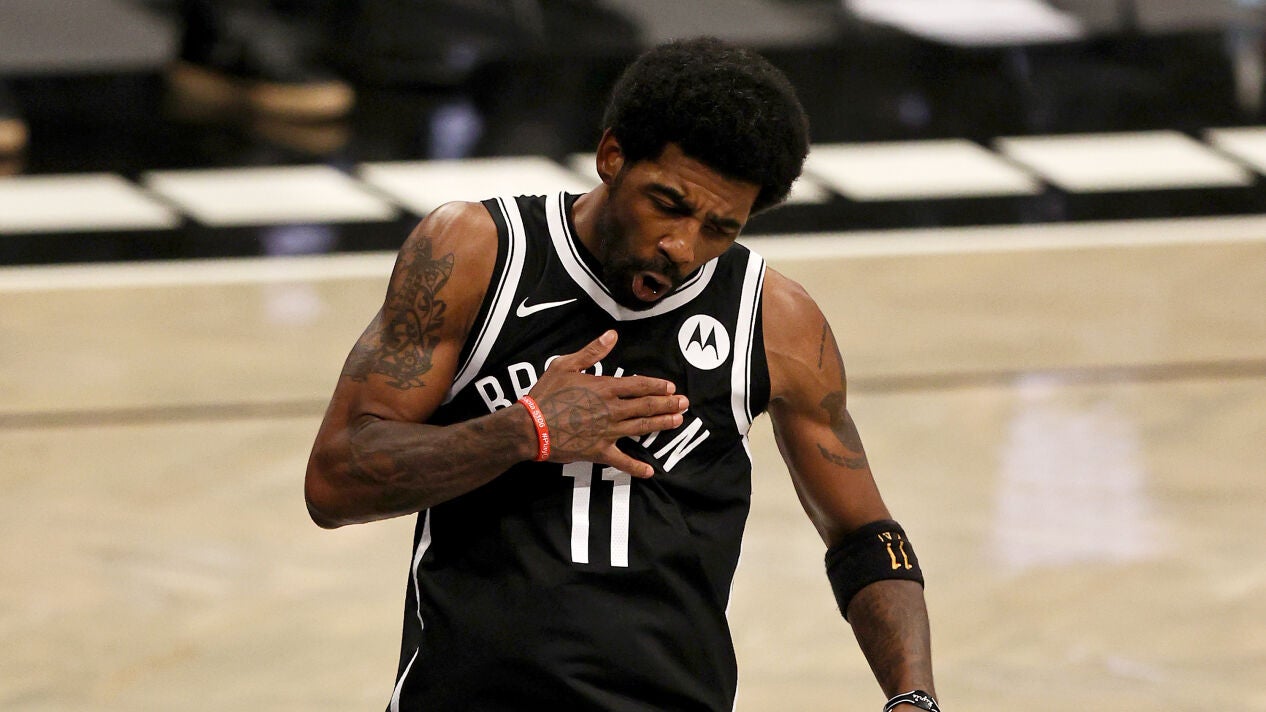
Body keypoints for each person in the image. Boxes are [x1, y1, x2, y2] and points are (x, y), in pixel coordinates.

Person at [306, 37, 939, 712]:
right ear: (612, 155)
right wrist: (524, 431)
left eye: (719, 228)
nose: (681, 247)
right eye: (668, 204)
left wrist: (913, 696)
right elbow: (335, 482)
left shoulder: (775, 320)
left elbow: (865, 536)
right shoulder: (475, 253)